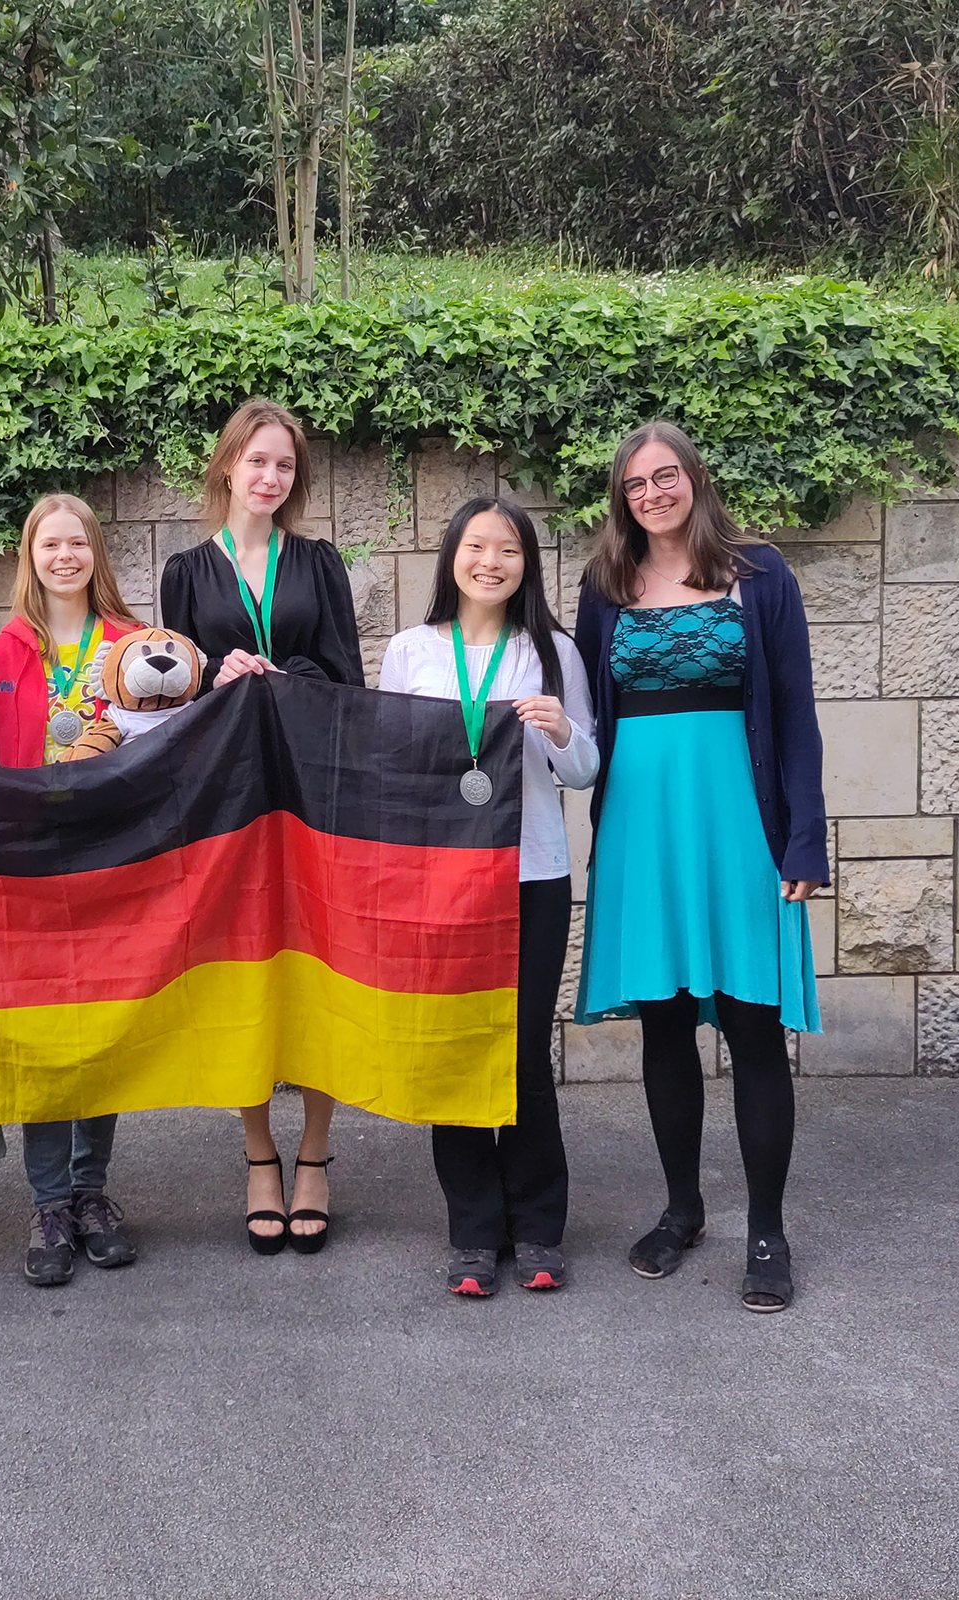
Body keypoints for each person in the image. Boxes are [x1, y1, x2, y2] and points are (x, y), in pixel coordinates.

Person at [573, 420, 826, 1314]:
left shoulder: (761, 577)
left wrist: (805, 839)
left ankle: (767, 1231)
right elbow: (588, 722)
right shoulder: (604, 587)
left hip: (740, 825)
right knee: (666, 1025)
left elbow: (793, 711)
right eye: (636, 483)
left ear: (694, 481)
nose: (653, 494)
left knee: (756, 1027)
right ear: (622, 498)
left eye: (666, 476)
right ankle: (682, 1212)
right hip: (643, 828)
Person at [160, 397, 365, 1256]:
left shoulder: (318, 563)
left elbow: (352, 679)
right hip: (229, 793)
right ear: (227, 468)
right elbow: (163, 687)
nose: (270, 477)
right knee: (243, 968)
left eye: (285, 465)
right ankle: (257, 1153)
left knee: (317, 966)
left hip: (311, 788)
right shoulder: (184, 571)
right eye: (257, 462)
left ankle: (314, 1152)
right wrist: (214, 676)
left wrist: (289, 673)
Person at [380, 497, 598, 1297]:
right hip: (441, 879)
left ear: (526, 565)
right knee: (454, 1047)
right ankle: (473, 1231)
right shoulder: (411, 650)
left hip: (532, 874)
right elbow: (393, 766)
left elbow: (584, 771)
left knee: (521, 1047)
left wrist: (560, 733)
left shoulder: (553, 652)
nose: (491, 561)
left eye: (508, 549)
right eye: (477, 546)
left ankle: (538, 1225)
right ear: (452, 557)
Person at [0, 493, 146, 1286]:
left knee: (102, 1027)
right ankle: (47, 1199)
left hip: (112, 859)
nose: (65, 556)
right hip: (30, 864)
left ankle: (91, 1191)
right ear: (29, 555)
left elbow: (167, 743)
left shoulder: (136, 643)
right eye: (50, 544)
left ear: (96, 553)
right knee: (46, 1032)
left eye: (78, 542)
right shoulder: (1, 654)